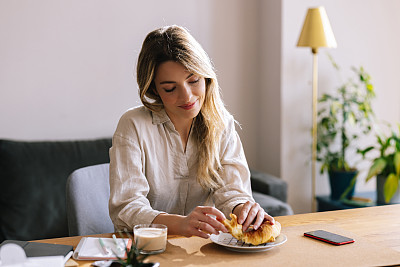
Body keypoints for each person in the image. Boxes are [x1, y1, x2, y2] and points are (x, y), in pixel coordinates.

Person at [109, 25, 275, 239]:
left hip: (203, 250)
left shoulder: (222, 123)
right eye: (170, 88)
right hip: (146, 250)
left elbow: (232, 193)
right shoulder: (132, 126)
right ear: (153, 90)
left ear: (206, 77)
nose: (187, 97)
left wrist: (243, 210)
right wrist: (179, 224)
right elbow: (126, 208)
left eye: (193, 80)